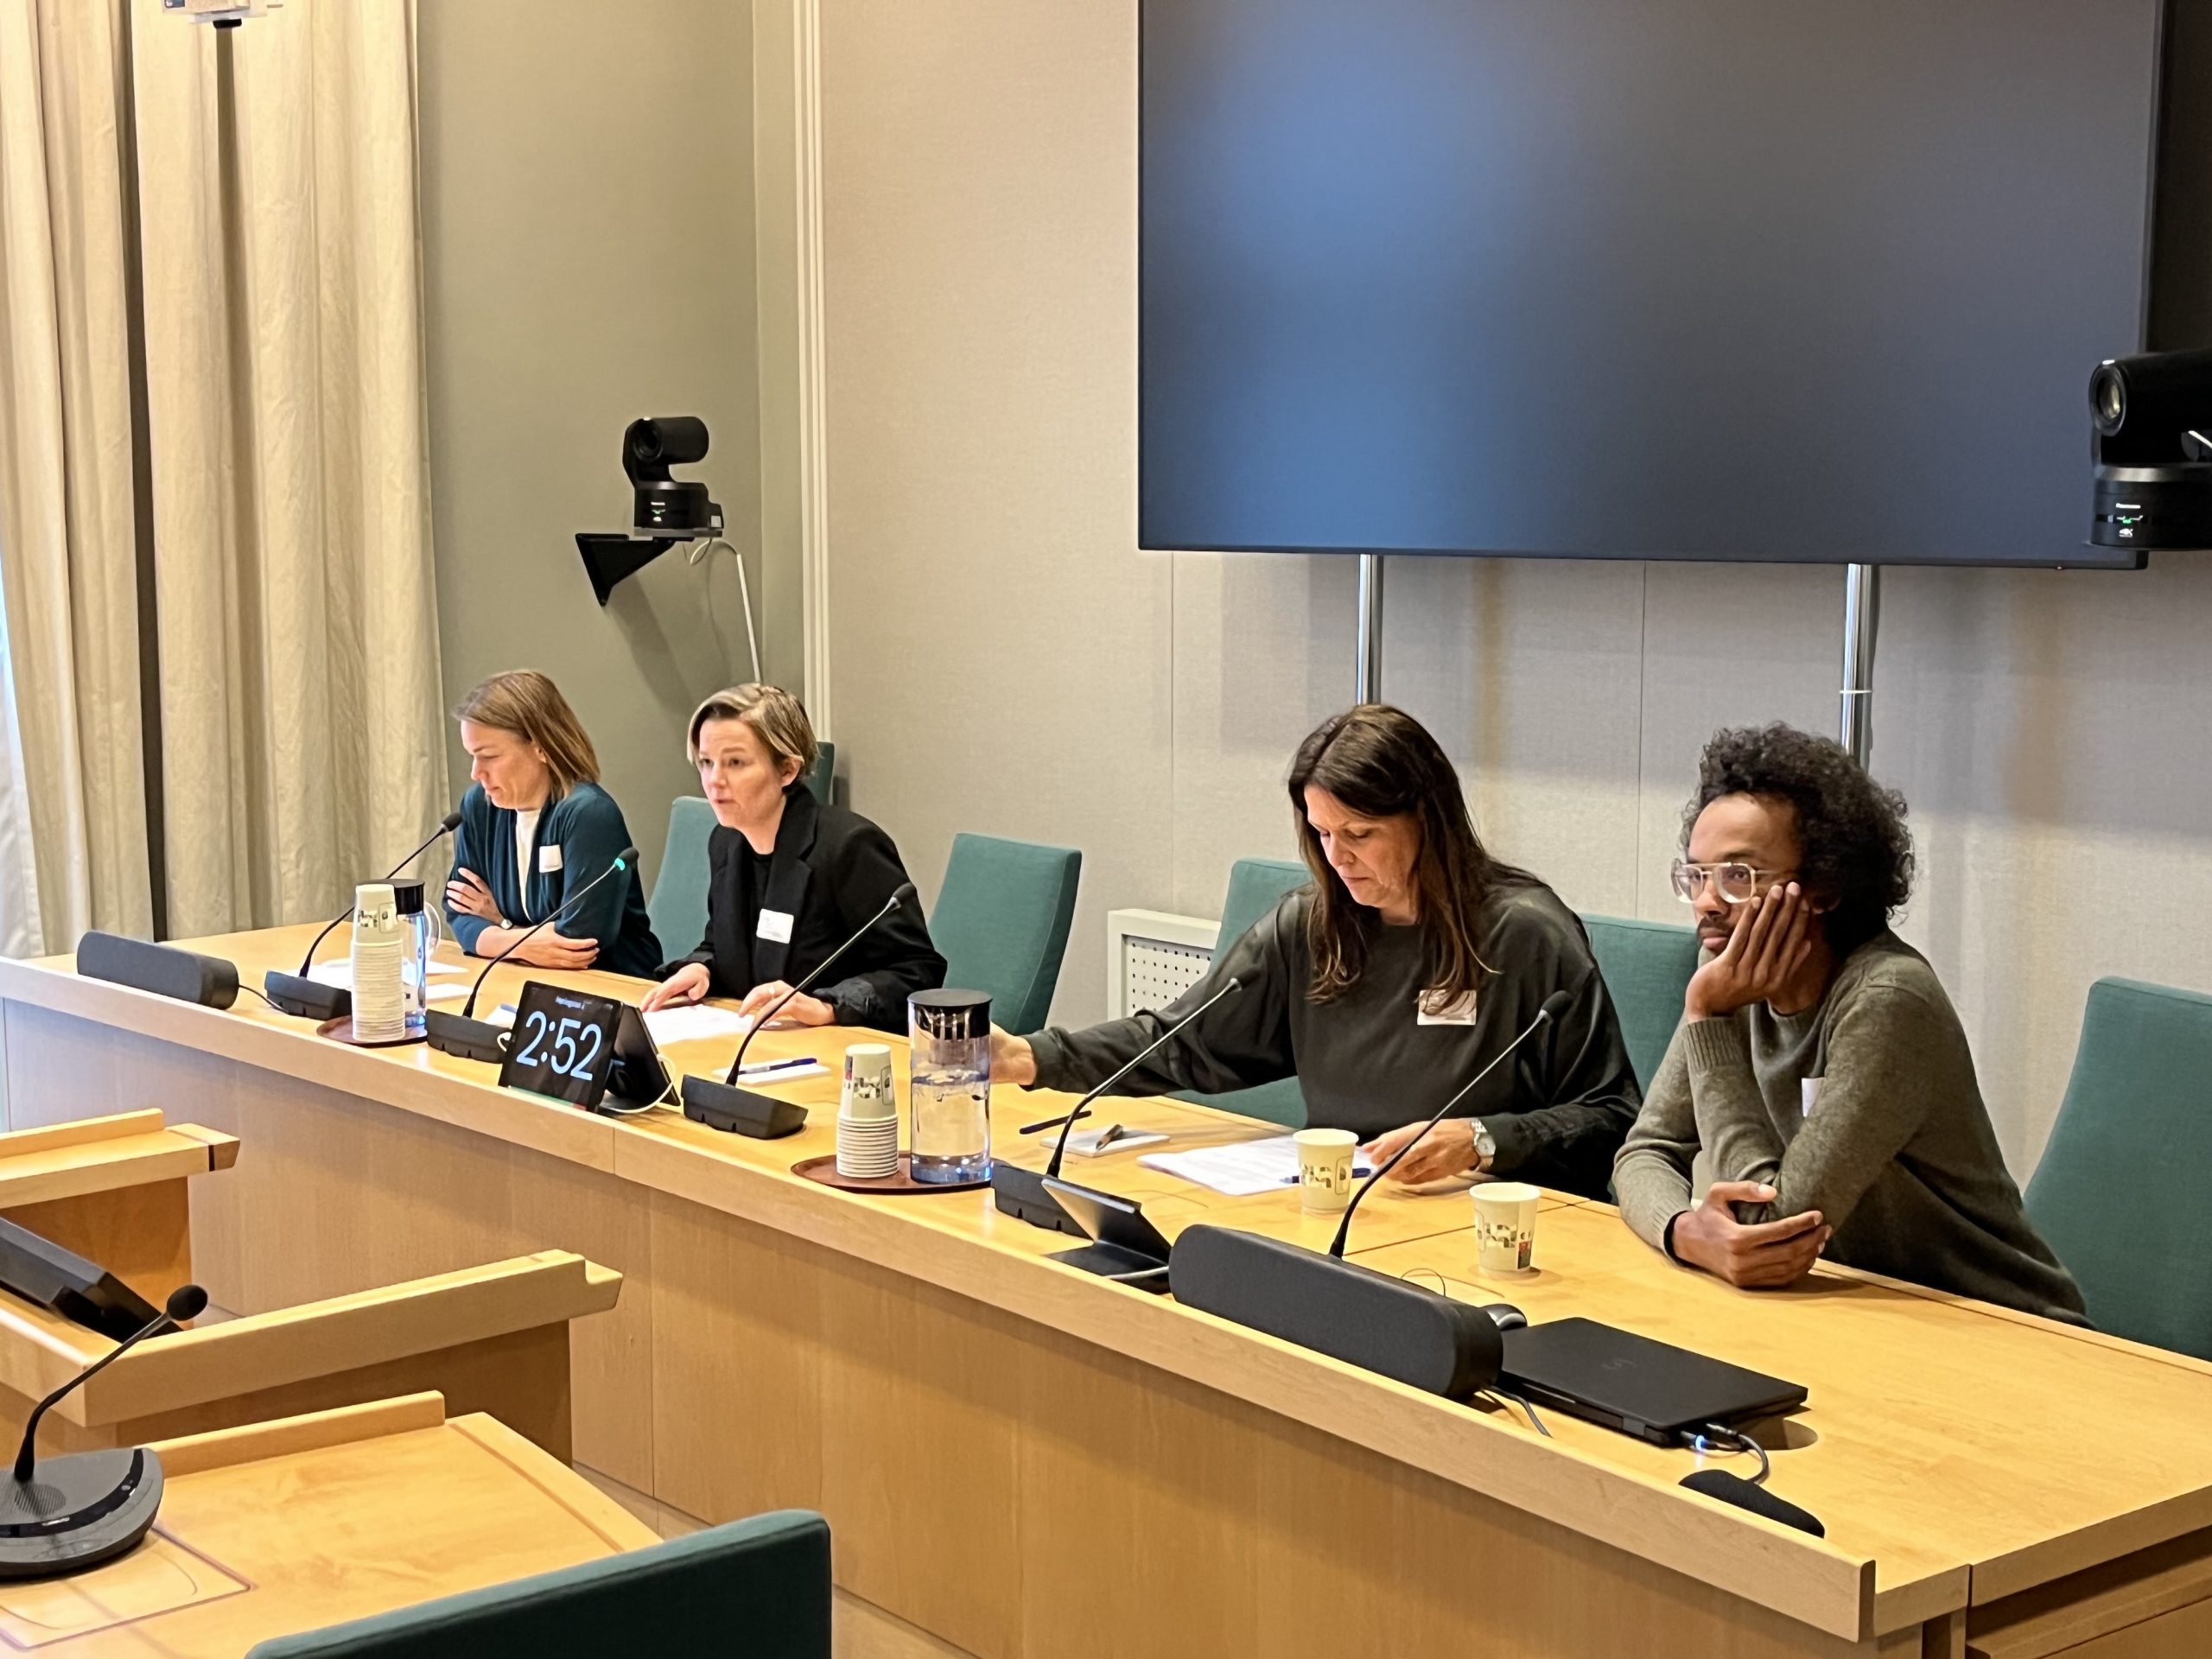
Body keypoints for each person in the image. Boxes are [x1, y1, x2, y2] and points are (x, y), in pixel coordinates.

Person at [990, 706, 1639, 1199]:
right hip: (1345, 1208)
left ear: (1427, 818)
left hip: (1491, 1223)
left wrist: (1483, 1141)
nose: (1337, 857)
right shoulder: (1311, 924)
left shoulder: (1525, 934)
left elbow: (1611, 1117)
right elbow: (1182, 1041)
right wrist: (1030, 1056)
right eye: (1322, 832)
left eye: (1360, 833)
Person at [1612, 723, 2085, 1322]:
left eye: (1738, 876)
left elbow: (1770, 1225)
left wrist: (1708, 1018)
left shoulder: (1887, 999)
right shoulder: (1728, 977)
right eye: (1697, 876)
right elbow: (1644, 1152)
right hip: (1855, 1305)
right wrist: (1684, 1231)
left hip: (1997, 1322)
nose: (1708, 901)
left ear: (1825, 887)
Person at [639, 683, 944, 1032]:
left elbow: (917, 970)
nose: (714, 780)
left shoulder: (849, 846)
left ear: (788, 770)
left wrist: (828, 1006)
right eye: (707, 762)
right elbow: (723, 944)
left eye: (735, 762)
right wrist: (702, 968)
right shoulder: (726, 842)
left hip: (836, 1048)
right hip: (753, 1039)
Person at [442, 671, 663, 978]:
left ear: (540, 747)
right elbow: (459, 911)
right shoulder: (480, 806)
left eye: (488, 757)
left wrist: (500, 925)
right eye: (472, 757)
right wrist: (523, 943)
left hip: (612, 986)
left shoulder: (589, 814)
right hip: (522, 978)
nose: (476, 773)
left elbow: (577, 943)